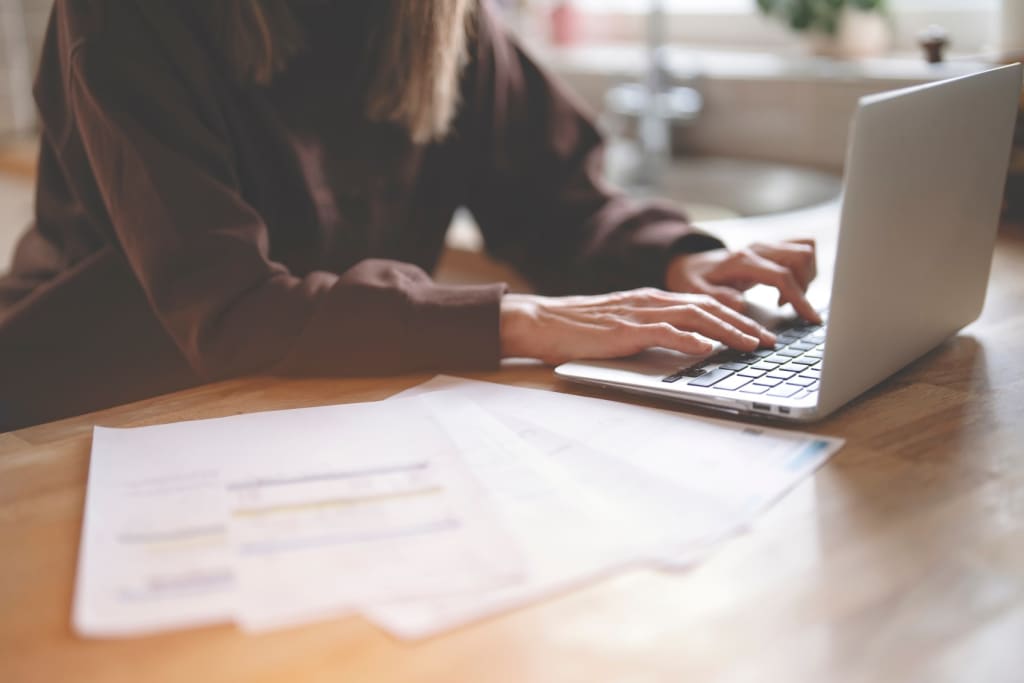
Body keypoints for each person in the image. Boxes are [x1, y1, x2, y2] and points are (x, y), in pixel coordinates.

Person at [0, 0, 819, 431]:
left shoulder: (439, 16)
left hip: (320, 397)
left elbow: (550, 197)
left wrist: (677, 256)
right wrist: (525, 320)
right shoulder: (123, 14)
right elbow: (234, 307)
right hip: (99, 402)